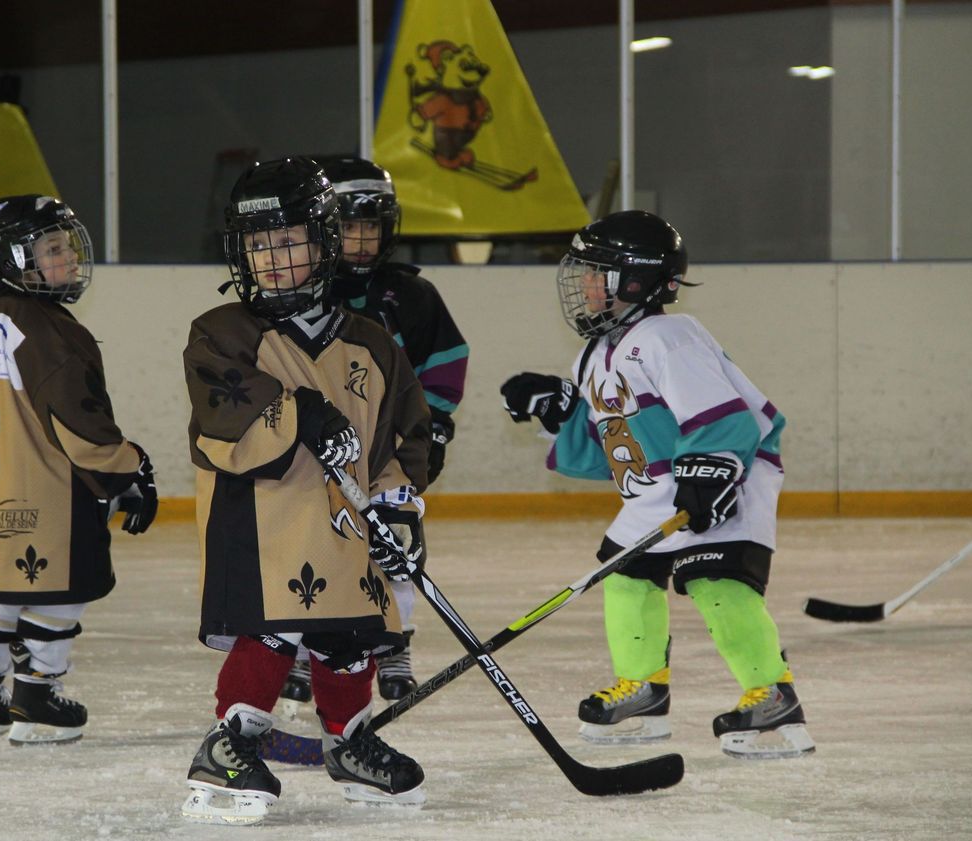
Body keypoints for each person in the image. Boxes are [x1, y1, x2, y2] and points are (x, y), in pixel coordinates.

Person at [499, 210, 814, 760]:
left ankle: (773, 693)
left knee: (715, 580)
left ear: (637, 280)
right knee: (624, 576)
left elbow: (725, 417)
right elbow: (616, 456)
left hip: (729, 469)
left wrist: (712, 469)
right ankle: (644, 690)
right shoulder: (593, 356)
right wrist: (561, 408)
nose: (586, 286)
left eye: (598, 273)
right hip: (661, 484)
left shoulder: (670, 336)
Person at [181, 157, 431, 824]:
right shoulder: (223, 332)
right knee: (276, 622)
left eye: (288, 241)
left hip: (344, 525)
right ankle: (228, 738)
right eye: (258, 245)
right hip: (261, 519)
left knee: (348, 630)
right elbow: (221, 417)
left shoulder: (373, 343)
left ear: (323, 243)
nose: (272, 258)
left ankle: (348, 740)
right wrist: (300, 414)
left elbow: (403, 435)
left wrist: (398, 502)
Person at [0, 195, 158, 745]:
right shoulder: (49, 329)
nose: (68, 258)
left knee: (3, 590)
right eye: (54, 248)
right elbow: (77, 423)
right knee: (64, 587)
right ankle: (37, 695)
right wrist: (127, 470)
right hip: (48, 494)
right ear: (13, 260)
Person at [277, 156, 469, 709]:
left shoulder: (413, 295)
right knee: (308, 545)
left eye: (372, 227)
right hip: (318, 451)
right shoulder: (301, 289)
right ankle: (297, 651)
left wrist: (429, 427)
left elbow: (447, 360)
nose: (361, 242)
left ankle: (394, 648)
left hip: (389, 450)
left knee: (395, 546)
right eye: (348, 228)